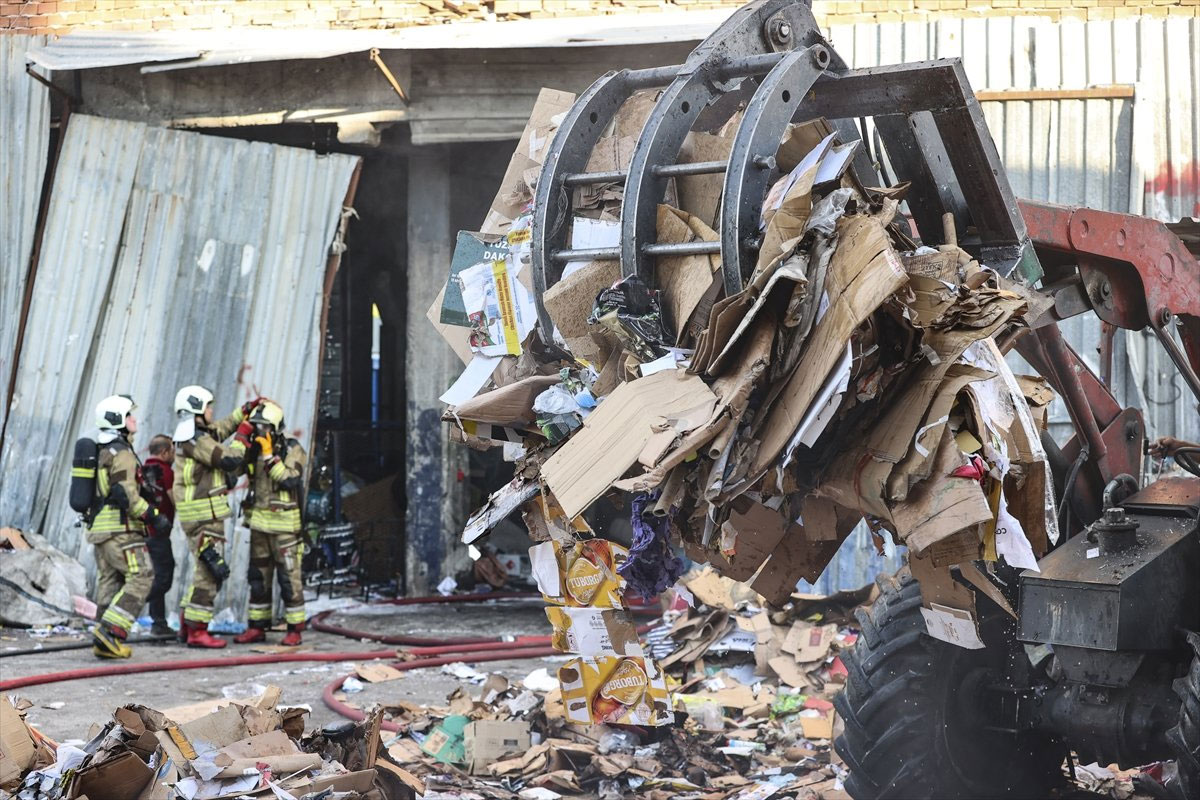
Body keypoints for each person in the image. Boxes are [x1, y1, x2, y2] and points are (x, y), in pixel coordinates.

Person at [172, 386, 263, 649]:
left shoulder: (196, 435)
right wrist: (244, 434)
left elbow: (221, 428)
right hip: (204, 515)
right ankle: (198, 631)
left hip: (199, 514)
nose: (212, 411)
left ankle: (188, 624)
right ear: (197, 410)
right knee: (210, 574)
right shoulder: (196, 441)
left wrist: (244, 411)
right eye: (208, 406)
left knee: (204, 570)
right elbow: (230, 459)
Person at [87, 395, 171, 659]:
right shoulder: (122, 453)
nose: (135, 420)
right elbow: (125, 494)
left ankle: (103, 638)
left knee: (110, 581)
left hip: (101, 529)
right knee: (143, 575)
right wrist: (152, 516)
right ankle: (112, 631)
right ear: (118, 421)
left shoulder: (104, 451)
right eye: (129, 416)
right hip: (122, 529)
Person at [230, 401, 309, 646]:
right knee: (258, 578)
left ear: (275, 428)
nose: (259, 432)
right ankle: (257, 627)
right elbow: (233, 471)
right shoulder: (254, 449)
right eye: (256, 427)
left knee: (289, 578)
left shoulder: (293, 449)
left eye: (263, 428)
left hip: (285, 528)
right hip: (259, 526)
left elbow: (289, 480)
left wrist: (268, 455)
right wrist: (241, 444)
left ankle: (294, 629)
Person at [140, 435, 176, 638]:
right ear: (164, 452)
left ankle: (159, 623)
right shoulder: (166, 472)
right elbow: (174, 498)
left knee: (155, 576)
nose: (174, 455)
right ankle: (131, 602)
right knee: (164, 578)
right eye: (172, 451)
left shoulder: (143, 469)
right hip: (159, 534)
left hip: (144, 532)